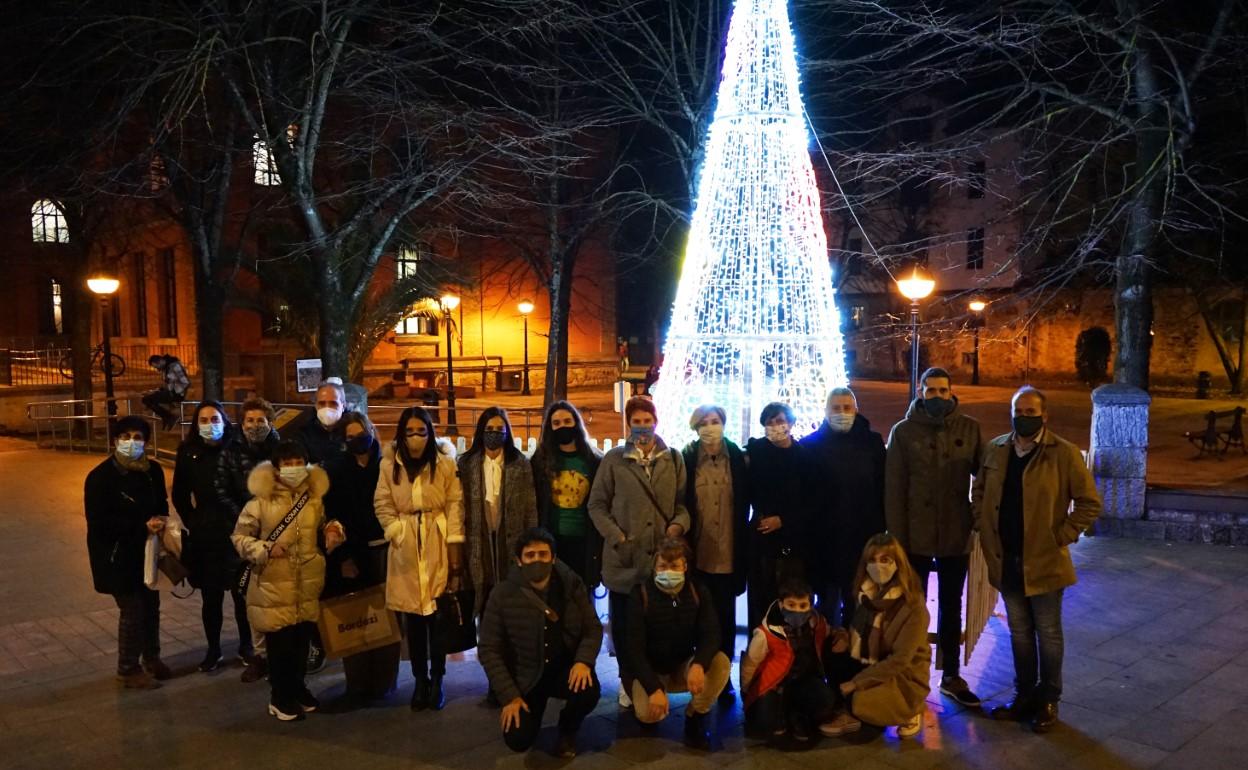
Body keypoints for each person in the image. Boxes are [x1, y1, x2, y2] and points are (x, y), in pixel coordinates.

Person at [974, 387, 1102, 733]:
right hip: (1007, 559)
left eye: (1031, 411)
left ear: (1044, 416)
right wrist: (981, 523)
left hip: (1045, 562)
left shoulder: (1063, 453)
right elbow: (981, 492)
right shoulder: (997, 448)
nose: (1024, 416)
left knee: (1047, 632)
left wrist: (1062, 535)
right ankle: (1024, 696)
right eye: (1019, 410)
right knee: (1019, 632)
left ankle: (1049, 699)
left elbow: (1089, 503)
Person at [885, 366, 984, 708]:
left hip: (955, 534)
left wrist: (977, 516)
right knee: (912, 607)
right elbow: (894, 490)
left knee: (952, 605)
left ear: (951, 392)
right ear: (920, 391)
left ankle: (951, 674)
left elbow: (983, 477)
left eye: (944, 390)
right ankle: (911, 670)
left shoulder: (969, 429)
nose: (938, 396)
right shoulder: (903, 432)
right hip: (915, 535)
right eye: (931, 390)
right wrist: (897, 538)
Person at [588, 395, 690, 709]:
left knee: (652, 624)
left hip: (661, 560)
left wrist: (677, 526)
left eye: (647, 421)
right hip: (625, 560)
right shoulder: (614, 460)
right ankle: (626, 679)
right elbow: (597, 505)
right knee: (623, 626)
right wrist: (618, 536)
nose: (642, 427)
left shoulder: (673, 458)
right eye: (637, 421)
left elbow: (682, 505)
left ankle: (654, 678)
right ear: (628, 424)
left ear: (656, 422)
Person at [232, 440, 344, 721]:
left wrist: (333, 529)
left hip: (306, 583)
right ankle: (280, 697)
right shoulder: (259, 502)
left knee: (301, 644)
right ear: (276, 469)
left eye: (299, 463)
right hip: (273, 585)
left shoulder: (314, 499)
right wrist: (265, 549)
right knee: (280, 647)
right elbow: (240, 538)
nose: (294, 469)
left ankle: (298, 689)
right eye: (287, 464)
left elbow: (322, 525)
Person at [478, 528, 602, 758]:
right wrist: (509, 696)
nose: (537, 559)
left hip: (563, 668)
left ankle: (568, 729)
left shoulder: (571, 585)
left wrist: (584, 661)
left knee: (588, 690)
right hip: (526, 676)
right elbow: (488, 649)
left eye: (543, 554)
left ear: (553, 558)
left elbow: (592, 627)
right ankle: (531, 714)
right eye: (530, 555)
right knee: (518, 738)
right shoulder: (502, 594)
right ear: (519, 560)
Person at [374, 406, 465, 713]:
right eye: (410, 431)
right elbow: (382, 502)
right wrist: (396, 530)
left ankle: (438, 679)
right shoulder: (389, 466)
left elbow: (454, 505)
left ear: (430, 433)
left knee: (437, 619)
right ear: (402, 433)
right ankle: (419, 680)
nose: (415, 438)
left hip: (436, 542)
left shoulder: (444, 465)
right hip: (407, 545)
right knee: (413, 620)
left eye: (421, 431)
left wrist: (454, 550)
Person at [84, 415, 171, 689]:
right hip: (117, 555)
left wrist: (161, 521)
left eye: (137, 438)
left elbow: (162, 504)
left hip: (148, 551)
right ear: (115, 441)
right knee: (133, 610)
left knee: (152, 606)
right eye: (125, 437)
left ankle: (152, 657)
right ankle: (128, 668)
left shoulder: (152, 471)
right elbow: (99, 522)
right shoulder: (100, 477)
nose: (131, 443)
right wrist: (140, 526)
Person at [819, 534, 932, 739]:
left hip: (902, 675)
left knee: (858, 700)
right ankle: (850, 710)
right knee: (832, 649)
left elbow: (900, 660)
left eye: (885, 560)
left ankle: (910, 709)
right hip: (873, 661)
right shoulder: (866, 594)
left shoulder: (914, 607)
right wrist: (844, 637)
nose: (878, 566)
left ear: (898, 563)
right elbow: (857, 633)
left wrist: (856, 683)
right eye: (872, 560)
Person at [321, 411, 398, 707]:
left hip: (385, 550)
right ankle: (357, 684)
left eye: (360, 434)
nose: (357, 441)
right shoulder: (338, 471)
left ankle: (384, 682)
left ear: (371, 431)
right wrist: (343, 557)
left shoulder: (388, 465)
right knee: (355, 616)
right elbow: (333, 516)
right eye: (350, 437)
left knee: (386, 616)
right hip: (354, 553)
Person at [626, 538, 730, 750]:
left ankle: (695, 716)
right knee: (648, 716)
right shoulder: (640, 595)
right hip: (652, 669)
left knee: (720, 663)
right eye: (663, 566)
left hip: (684, 665)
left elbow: (711, 633)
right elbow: (633, 650)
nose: (668, 571)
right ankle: (653, 699)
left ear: (685, 566)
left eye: (674, 566)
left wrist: (699, 663)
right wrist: (653, 688)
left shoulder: (698, 591)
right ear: (654, 567)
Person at [173, 400, 251, 672]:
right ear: (196, 425)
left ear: (224, 421)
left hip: (237, 531)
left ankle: (247, 646)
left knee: (242, 594)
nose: (210, 425)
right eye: (203, 420)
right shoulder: (188, 453)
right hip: (206, 534)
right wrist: (192, 520)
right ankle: (214, 650)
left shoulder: (237, 448)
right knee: (211, 597)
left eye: (215, 419)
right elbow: (180, 494)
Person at [801, 387, 887, 625]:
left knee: (859, 607)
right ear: (826, 411)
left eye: (847, 408)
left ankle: (854, 659)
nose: (842, 413)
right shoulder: (810, 446)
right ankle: (827, 659)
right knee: (826, 610)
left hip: (863, 540)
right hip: (824, 542)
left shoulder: (872, 443)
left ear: (856, 410)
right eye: (836, 408)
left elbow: (882, 487)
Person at [681, 404, 749, 692]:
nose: (710, 427)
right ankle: (700, 671)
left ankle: (723, 680)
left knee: (725, 616)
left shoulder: (737, 457)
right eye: (704, 423)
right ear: (696, 428)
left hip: (729, 551)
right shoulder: (686, 459)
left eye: (715, 421)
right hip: (699, 551)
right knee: (699, 616)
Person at [215, 397, 280, 683]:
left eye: (260, 420)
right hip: (244, 533)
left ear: (270, 422)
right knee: (247, 598)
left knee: (278, 596)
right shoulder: (230, 451)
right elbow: (221, 488)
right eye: (249, 421)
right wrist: (245, 520)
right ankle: (255, 654)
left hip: (278, 532)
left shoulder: (281, 449)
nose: (255, 426)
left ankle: (279, 653)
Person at [459, 407, 538, 616]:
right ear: (481, 431)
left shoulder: (519, 463)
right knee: (483, 592)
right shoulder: (467, 463)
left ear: (507, 432)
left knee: (510, 594)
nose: (494, 433)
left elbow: (530, 505)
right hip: (479, 537)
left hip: (510, 537)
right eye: (489, 428)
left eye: (499, 429)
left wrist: (531, 540)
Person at [740, 578, 839, 745]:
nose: (797, 611)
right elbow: (750, 664)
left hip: (804, 681)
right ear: (781, 604)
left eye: (803, 606)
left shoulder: (817, 624)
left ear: (810, 605)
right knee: (764, 724)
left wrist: (841, 635)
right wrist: (747, 692)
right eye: (791, 605)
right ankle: (780, 712)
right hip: (774, 685)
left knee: (825, 700)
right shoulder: (765, 633)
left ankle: (797, 714)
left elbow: (831, 632)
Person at [745, 402, 813, 630]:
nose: (775, 426)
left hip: (792, 541)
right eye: (770, 422)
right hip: (760, 538)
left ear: (791, 423)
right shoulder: (756, 452)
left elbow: (810, 501)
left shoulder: (802, 457)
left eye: (780, 421)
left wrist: (783, 520)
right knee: (759, 600)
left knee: (788, 598)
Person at [531, 400, 603, 593]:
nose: (562, 426)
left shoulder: (594, 460)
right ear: (549, 427)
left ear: (576, 423)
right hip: (552, 541)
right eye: (556, 423)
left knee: (581, 598)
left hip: (584, 541)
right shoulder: (540, 461)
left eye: (567, 421)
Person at [298, 378, 348, 465]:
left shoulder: (355, 429)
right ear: (316, 406)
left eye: (333, 403)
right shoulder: (304, 434)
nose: (327, 408)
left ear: (343, 406)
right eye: (322, 403)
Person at [142, 354, 190, 430]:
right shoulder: (167, 368)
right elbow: (169, 383)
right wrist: (159, 390)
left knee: (147, 400)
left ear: (161, 361)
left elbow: (185, 382)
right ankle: (167, 417)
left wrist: (176, 391)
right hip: (172, 392)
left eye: (156, 366)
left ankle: (169, 417)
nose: (157, 369)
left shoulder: (174, 366)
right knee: (148, 399)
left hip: (176, 394)